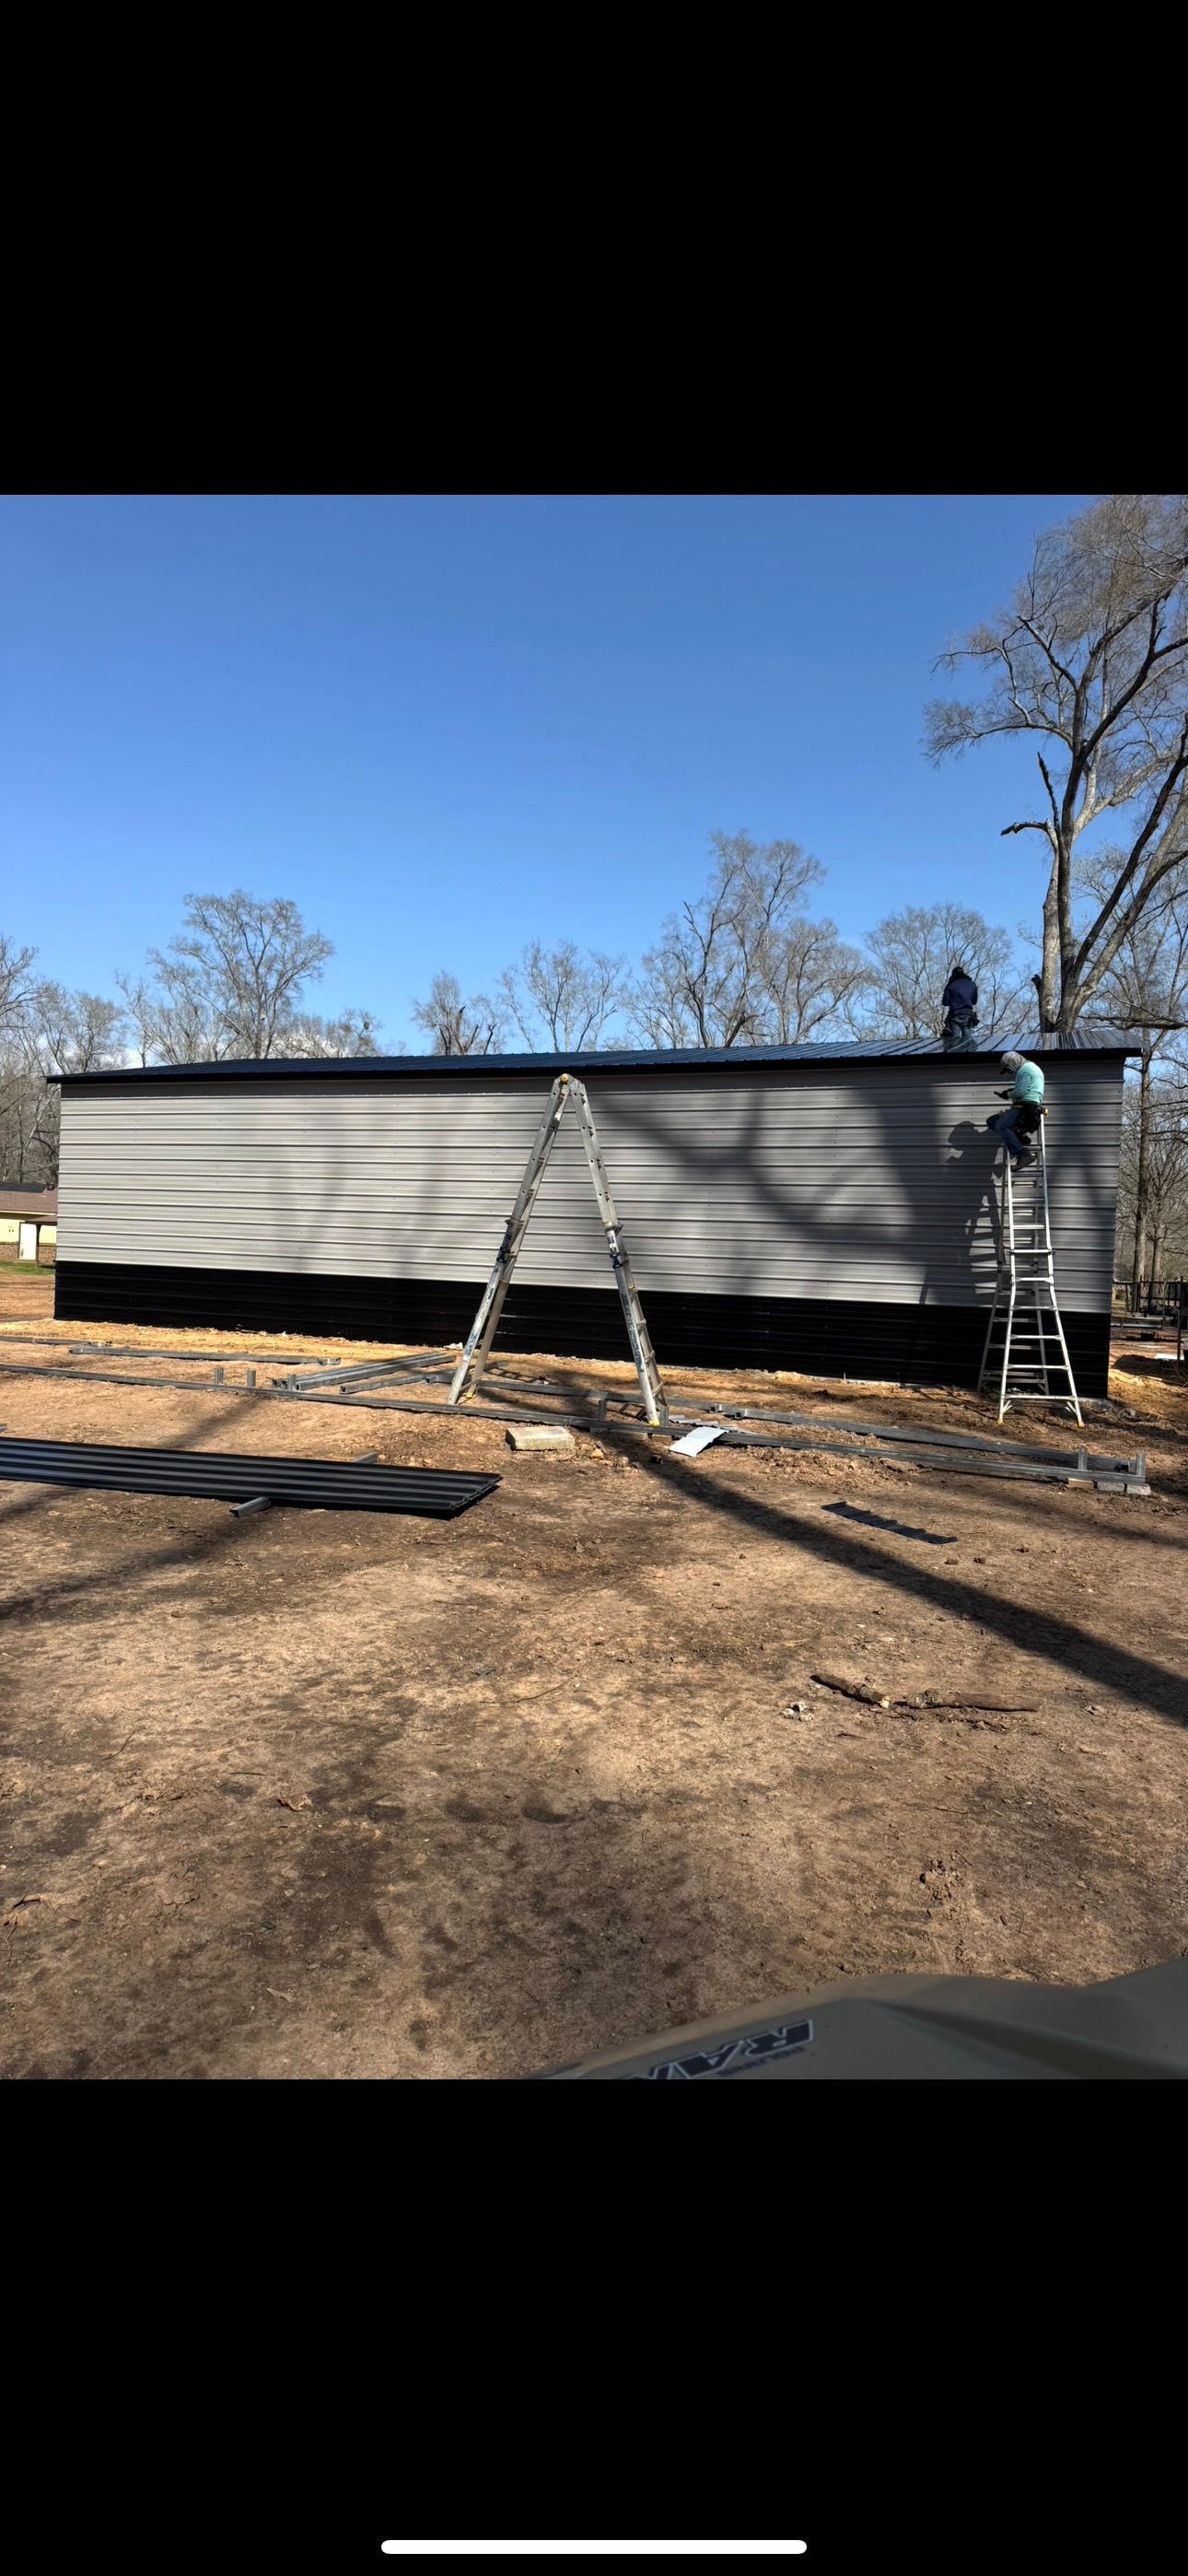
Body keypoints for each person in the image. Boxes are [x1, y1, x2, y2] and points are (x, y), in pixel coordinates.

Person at [985, 1051, 1044, 1165]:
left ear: (1012, 1062)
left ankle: (1024, 1155)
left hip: (1025, 1107)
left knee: (1000, 1125)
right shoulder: (1031, 1068)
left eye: (1008, 1068)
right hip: (1026, 1106)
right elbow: (1025, 1088)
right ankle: (1019, 1136)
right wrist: (1009, 1092)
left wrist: (1007, 1094)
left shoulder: (1025, 1070)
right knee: (991, 1121)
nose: (1009, 1071)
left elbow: (1020, 1092)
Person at [941, 964, 979, 1051]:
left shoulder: (950, 985)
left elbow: (945, 1002)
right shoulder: (972, 984)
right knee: (967, 1039)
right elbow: (974, 1001)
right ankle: (967, 1060)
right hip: (968, 1015)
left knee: (955, 1040)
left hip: (954, 1015)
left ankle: (955, 1060)